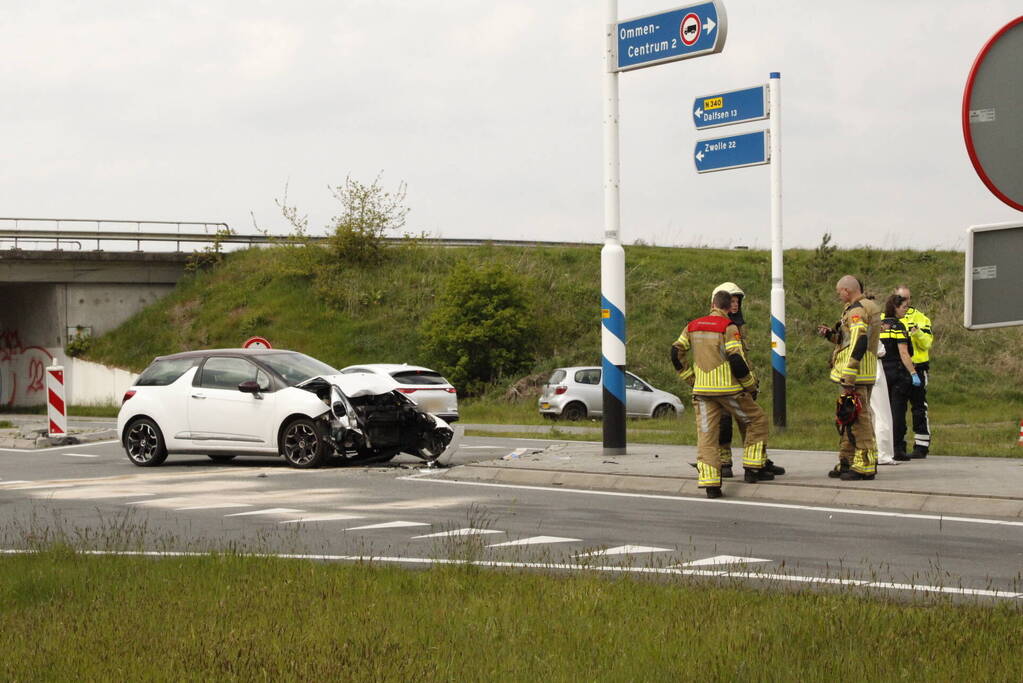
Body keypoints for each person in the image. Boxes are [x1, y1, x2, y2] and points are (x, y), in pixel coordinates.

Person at [672, 289, 773, 499]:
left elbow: (675, 352)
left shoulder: (692, 326)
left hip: (702, 392)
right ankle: (753, 468)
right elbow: (736, 359)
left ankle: (711, 485)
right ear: (728, 308)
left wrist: (690, 378)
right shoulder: (728, 327)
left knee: (707, 436)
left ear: (712, 304)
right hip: (729, 391)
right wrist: (751, 386)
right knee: (756, 421)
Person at [709, 282, 785, 478]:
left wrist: (751, 378)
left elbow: (743, 355)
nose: (735, 305)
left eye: (737, 301)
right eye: (732, 301)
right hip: (726, 383)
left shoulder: (738, 327)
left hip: (739, 383)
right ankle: (725, 462)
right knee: (725, 424)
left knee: (751, 424)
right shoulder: (718, 326)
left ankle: (758, 460)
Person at [816, 275, 882, 480]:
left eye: (839, 292)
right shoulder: (866, 307)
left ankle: (864, 465)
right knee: (848, 417)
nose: (838, 295)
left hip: (855, 374)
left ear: (847, 290)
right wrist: (830, 335)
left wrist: (850, 371)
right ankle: (847, 461)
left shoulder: (856, 311)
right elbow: (848, 340)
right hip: (862, 371)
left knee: (859, 419)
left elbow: (860, 340)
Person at [894, 285, 933, 458]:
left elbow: (927, 344)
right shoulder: (886, 318)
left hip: (918, 367)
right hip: (897, 369)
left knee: (919, 408)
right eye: (901, 299)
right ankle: (898, 445)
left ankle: (922, 445)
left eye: (907, 298)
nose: (905, 302)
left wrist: (916, 334)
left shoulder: (921, 318)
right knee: (897, 408)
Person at [880, 293, 920, 462]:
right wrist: (913, 373)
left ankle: (884, 447)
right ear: (895, 308)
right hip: (897, 373)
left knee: (883, 412)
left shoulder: (880, 325)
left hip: (882, 372)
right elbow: (904, 353)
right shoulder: (898, 327)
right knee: (897, 412)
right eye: (904, 307)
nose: (906, 310)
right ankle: (897, 448)